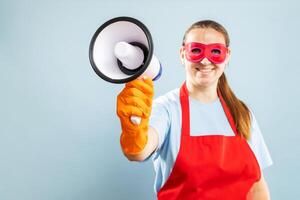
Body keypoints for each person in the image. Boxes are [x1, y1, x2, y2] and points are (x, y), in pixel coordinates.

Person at [116, 20, 273, 200]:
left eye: (215, 52)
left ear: (227, 55)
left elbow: (257, 186)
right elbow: (139, 151)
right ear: (183, 54)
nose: (205, 60)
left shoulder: (242, 112)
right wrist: (133, 128)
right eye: (196, 50)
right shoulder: (166, 108)